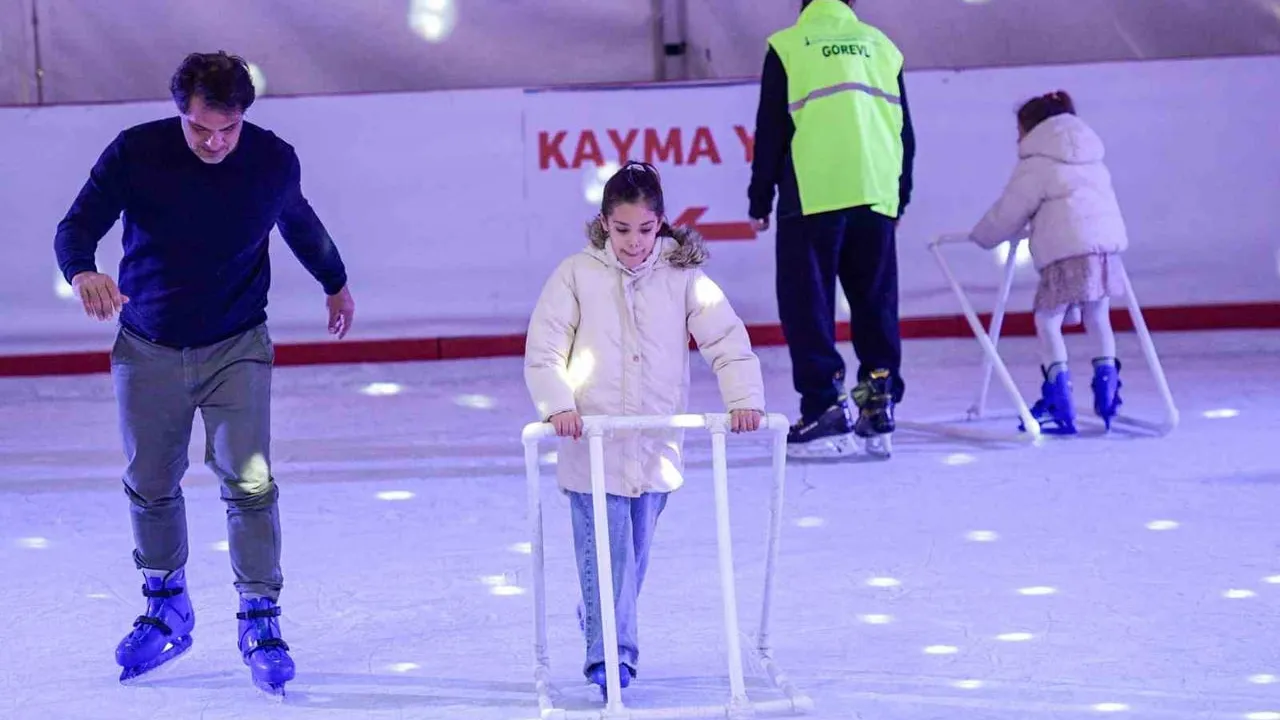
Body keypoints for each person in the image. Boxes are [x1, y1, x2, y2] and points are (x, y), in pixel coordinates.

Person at [53, 50, 355, 694]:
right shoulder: (136, 153)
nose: (215, 142)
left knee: (248, 480)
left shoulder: (272, 159)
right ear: (179, 114)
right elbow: (75, 226)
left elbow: (298, 221)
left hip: (236, 345)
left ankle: (260, 617)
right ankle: (167, 606)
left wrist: (335, 281)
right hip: (148, 345)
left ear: (244, 117)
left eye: (228, 129)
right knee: (150, 479)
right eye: (200, 129)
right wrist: (82, 269)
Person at [524, 161, 765, 697]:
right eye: (622, 229)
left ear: (662, 224)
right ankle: (611, 659)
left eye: (646, 229)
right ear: (605, 224)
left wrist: (744, 399)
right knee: (607, 560)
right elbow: (544, 347)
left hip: (655, 448)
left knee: (629, 564)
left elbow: (725, 340)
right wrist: (557, 404)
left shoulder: (685, 278)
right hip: (592, 447)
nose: (634, 242)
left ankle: (600, 619)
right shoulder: (576, 275)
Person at [748, 0, 916, 459]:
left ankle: (824, 405)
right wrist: (898, 195)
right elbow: (905, 130)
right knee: (875, 301)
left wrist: (760, 198)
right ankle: (878, 402)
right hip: (875, 193)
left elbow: (771, 129)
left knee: (809, 306)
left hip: (813, 195)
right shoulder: (881, 46)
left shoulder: (788, 46)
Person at [965, 90, 1128, 434]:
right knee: (1097, 314)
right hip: (1104, 251)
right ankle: (1107, 391)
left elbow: (1009, 211)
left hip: (1065, 252)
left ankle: (1058, 398)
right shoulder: (1091, 156)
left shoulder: (1037, 163)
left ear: (1033, 129)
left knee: (1048, 319)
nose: (1017, 139)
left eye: (1019, 131)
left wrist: (980, 237)